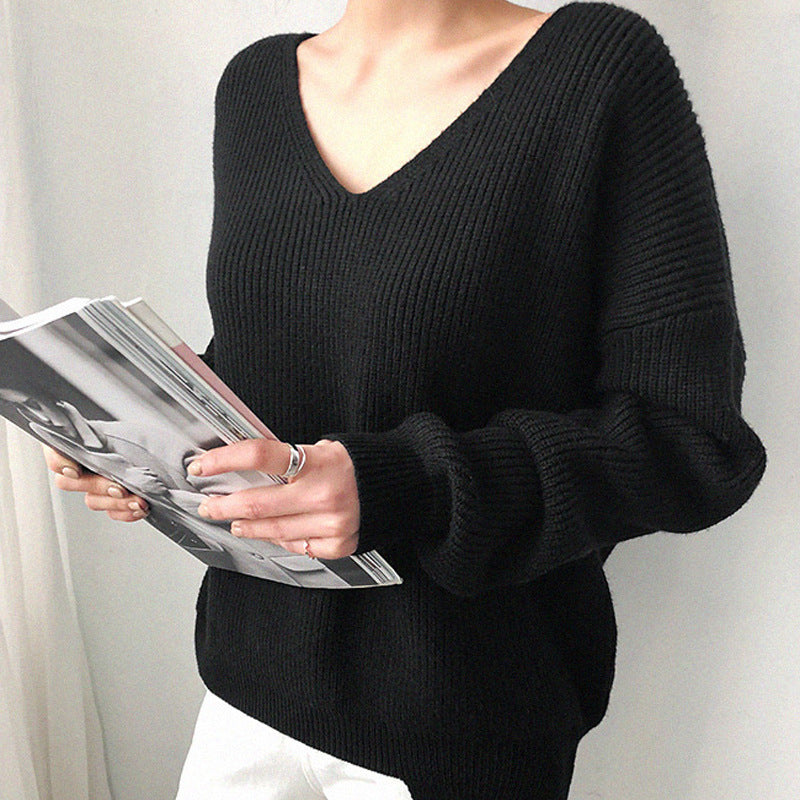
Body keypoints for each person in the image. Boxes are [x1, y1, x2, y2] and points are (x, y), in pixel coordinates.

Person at [45, 1, 767, 797]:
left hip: (460, 724)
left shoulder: (600, 69)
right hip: (244, 694)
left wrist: (408, 485)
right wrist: (144, 437)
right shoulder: (254, 86)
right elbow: (300, 366)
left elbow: (689, 441)